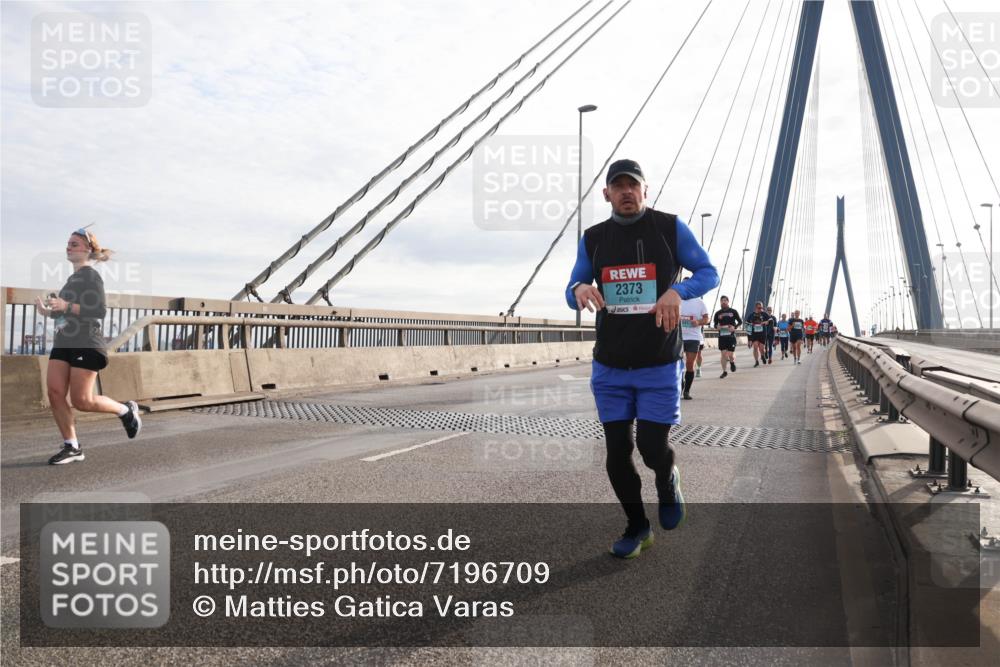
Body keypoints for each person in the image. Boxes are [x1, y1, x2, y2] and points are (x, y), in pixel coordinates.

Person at [567, 159, 718, 559]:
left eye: (632, 186)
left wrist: (678, 292)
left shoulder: (669, 228)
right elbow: (573, 287)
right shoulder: (594, 238)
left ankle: (667, 480)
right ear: (607, 195)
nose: (626, 192)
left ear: (645, 191)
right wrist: (580, 287)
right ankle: (637, 527)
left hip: (657, 362)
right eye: (618, 187)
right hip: (610, 364)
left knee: (652, 447)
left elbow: (708, 272)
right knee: (617, 450)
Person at [34, 228, 142, 465]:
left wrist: (66, 304)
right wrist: (48, 311)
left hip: (85, 342)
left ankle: (125, 410)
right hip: (64, 341)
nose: (69, 247)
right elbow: (65, 312)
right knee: (54, 392)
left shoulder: (91, 276)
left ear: (87, 249)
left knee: (82, 400)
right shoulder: (72, 279)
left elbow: (98, 311)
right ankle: (72, 446)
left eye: (74, 244)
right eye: (68, 243)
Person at [680, 287, 710, 400]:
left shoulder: (699, 302)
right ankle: (680, 386)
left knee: (689, 363)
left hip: (693, 338)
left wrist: (698, 322)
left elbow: (707, 319)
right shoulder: (677, 300)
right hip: (679, 337)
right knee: (678, 364)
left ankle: (686, 390)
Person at [712, 295, 742, 378]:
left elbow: (740, 321)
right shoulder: (718, 313)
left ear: (728, 302)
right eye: (722, 301)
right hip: (722, 336)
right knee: (723, 354)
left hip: (731, 336)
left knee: (730, 354)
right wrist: (716, 327)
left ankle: (732, 362)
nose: (723, 302)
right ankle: (724, 371)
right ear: (720, 302)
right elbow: (715, 323)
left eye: (725, 300)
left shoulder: (733, 311)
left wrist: (734, 327)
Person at [746, 302, 768, 367]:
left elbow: (770, 320)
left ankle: (762, 355)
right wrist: (749, 339)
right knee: (755, 347)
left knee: (762, 348)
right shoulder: (751, 315)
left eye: (761, 308)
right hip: (754, 334)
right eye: (759, 308)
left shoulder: (764, 314)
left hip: (762, 333)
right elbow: (748, 326)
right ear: (756, 308)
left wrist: (766, 322)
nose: (760, 309)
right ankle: (756, 361)